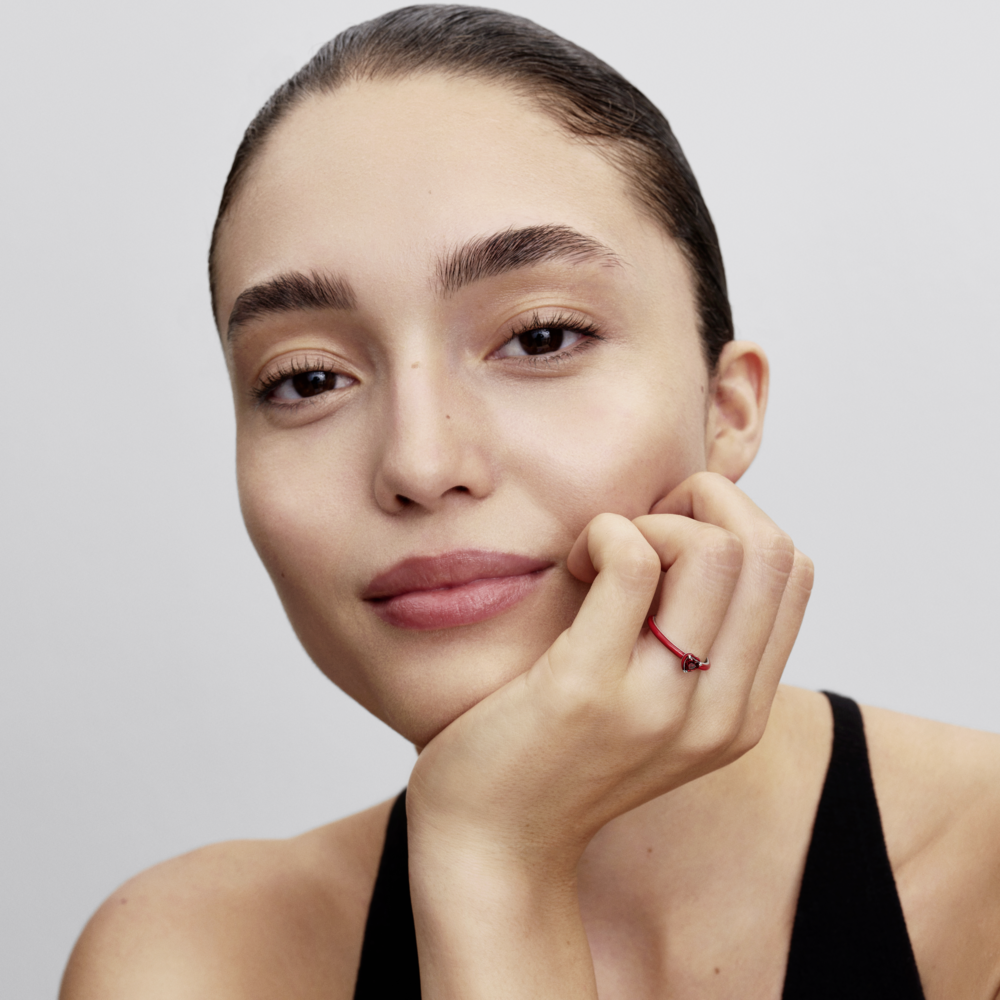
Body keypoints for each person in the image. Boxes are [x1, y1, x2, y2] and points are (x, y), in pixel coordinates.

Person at [59, 6, 1000, 998]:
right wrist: (491, 858)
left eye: (542, 337)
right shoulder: (194, 963)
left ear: (726, 409)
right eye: (306, 379)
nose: (420, 463)